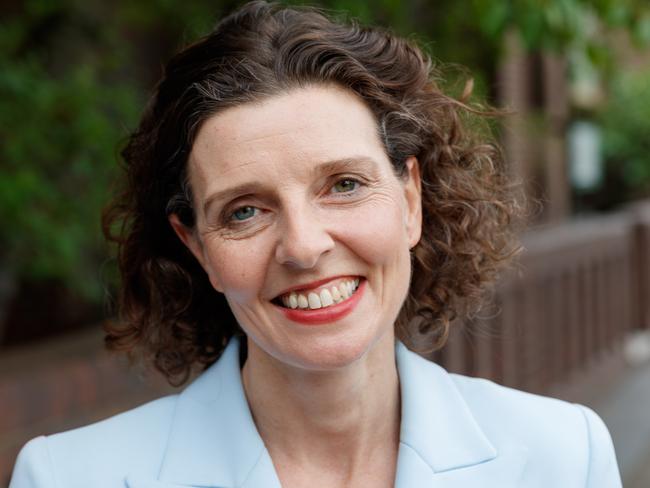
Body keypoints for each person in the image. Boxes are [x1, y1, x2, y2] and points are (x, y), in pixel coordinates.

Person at [10, 1, 622, 487]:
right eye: (245, 211)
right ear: (197, 248)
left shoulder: (565, 456)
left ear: (411, 201)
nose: (303, 246)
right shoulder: (66, 477)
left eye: (345, 185)